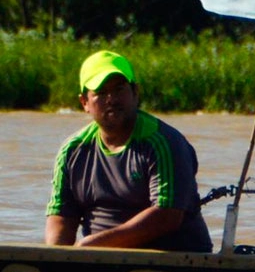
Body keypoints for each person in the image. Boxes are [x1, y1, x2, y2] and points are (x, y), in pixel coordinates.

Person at [45, 50, 212, 252]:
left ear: (135, 92)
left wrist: (91, 245)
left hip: (172, 260)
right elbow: (61, 217)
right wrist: (55, 257)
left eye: (119, 89)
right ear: (84, 103)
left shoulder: (163, 142)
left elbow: (167, 216)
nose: (111, 99)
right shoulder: (72, 150)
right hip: (97, 260)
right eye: (100, 92)